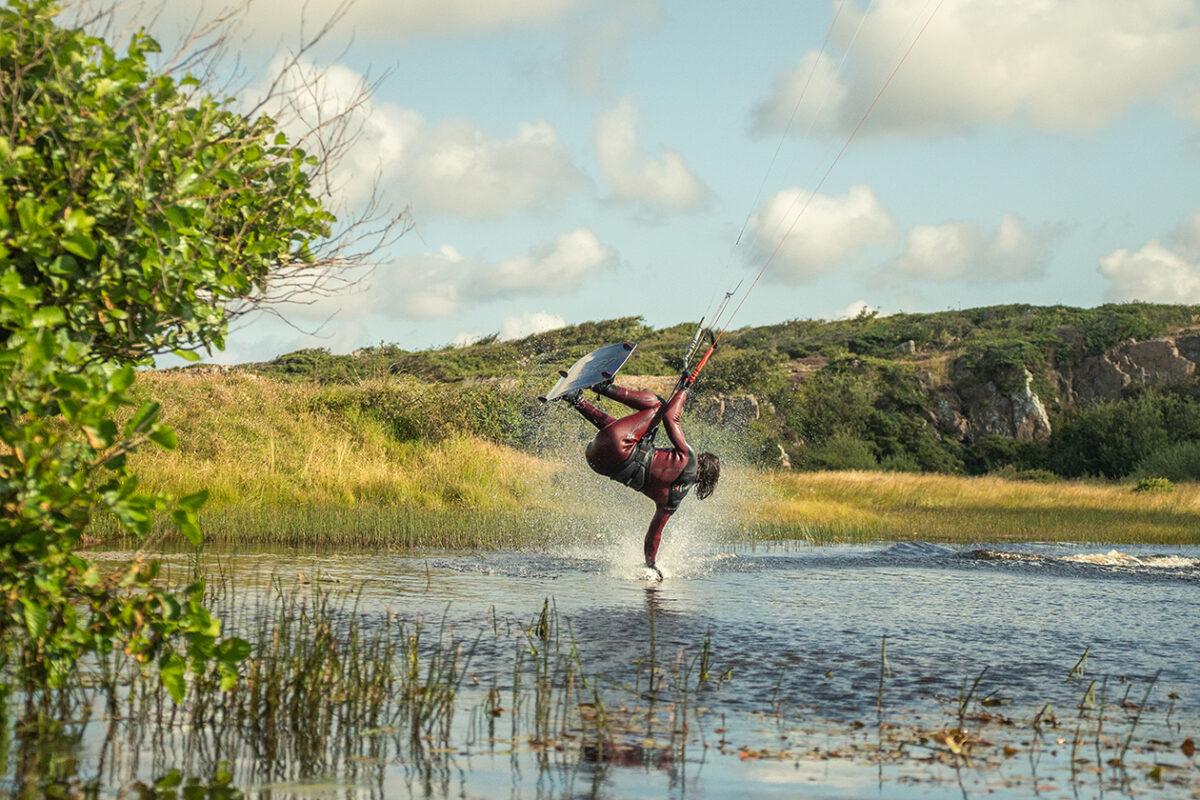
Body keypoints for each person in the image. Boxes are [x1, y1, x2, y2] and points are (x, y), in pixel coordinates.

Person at [563, 380, 719, 578]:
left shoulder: (689, 458)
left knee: (659, 407)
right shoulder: (673, 501)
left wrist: (683, 390)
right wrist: (650, 565)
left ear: (702, 462)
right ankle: (575, 399)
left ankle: (602, 387)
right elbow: (654, 536)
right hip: (598, 462)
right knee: (626, 435)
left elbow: (671, 418)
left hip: (616, 446)